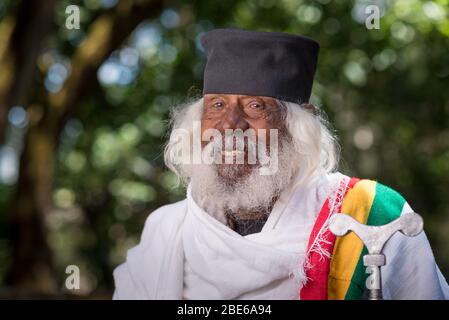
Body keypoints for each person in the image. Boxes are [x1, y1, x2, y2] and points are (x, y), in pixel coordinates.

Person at [113, 28, 449, 300]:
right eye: (216, 105)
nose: (230, 125)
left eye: (256, 107)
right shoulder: (165, 230)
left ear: (298, 126)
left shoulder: (372, 216)